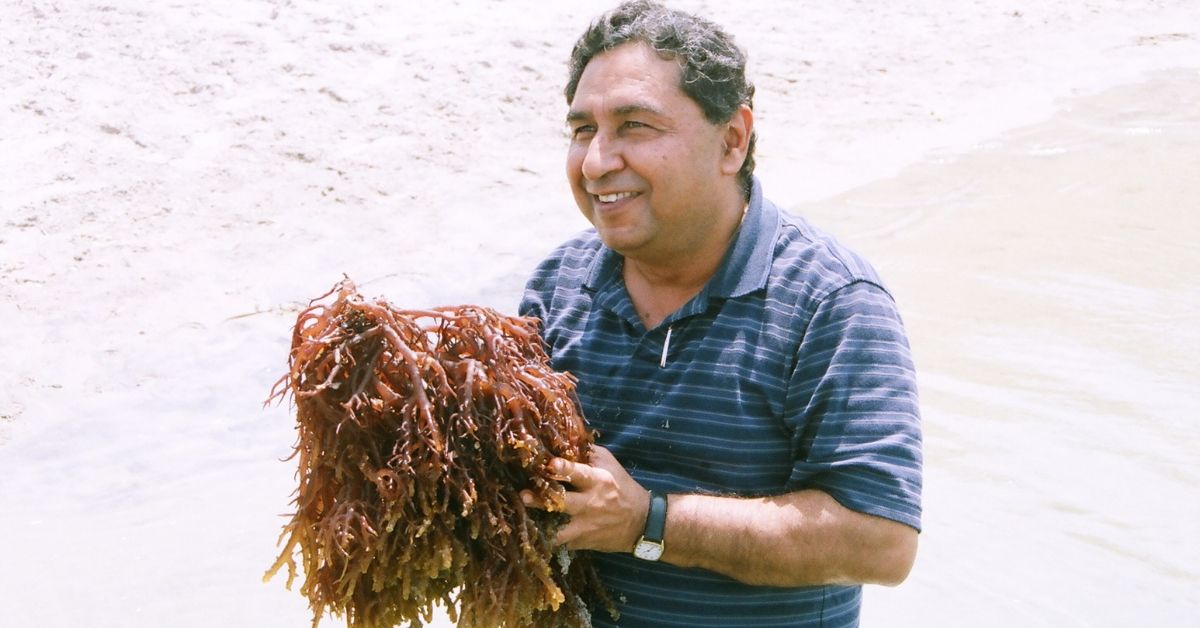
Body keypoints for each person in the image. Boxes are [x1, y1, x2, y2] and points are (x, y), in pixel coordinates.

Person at [519, 2, 922, 625]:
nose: (597, 161)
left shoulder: (832, 303)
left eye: (634, 125)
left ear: (732, 140)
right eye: (581, 130)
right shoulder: (559, 285)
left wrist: (647, 522)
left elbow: (882, 541)